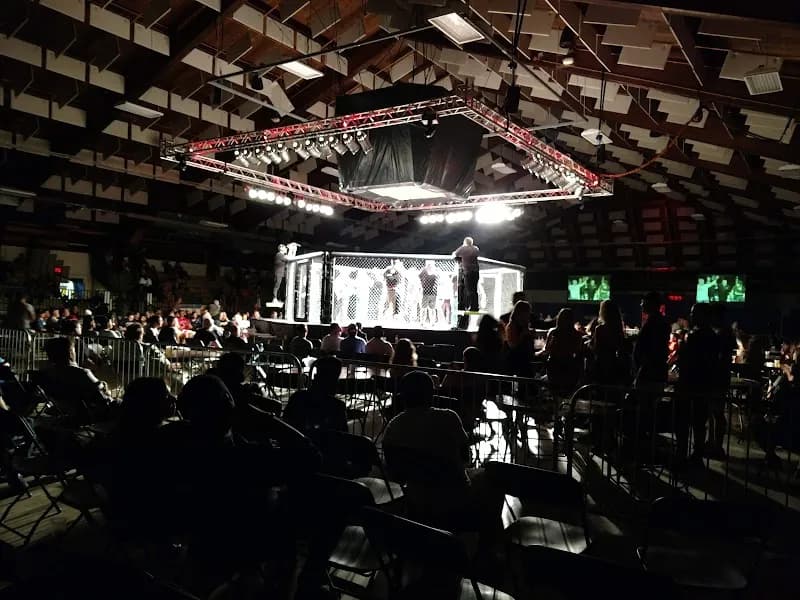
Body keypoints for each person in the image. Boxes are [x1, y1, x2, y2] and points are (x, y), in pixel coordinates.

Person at [382, 371, 502, 537]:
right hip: (455, 495)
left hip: (417, 497)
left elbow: (393, 470)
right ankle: (488, 542)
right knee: (494, 478)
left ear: (403, 396)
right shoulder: (449, 418)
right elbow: (465, 458)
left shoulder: (393, 426)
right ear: (431, 394)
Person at [676, 303, 724, 465]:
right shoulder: (713, 337)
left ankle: (683, 454)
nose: (691, 316)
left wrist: (683, 345)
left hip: (691, 384)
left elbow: (686, 359)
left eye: (694, 313)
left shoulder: (695, 336)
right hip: (704, 385)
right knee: (699, 422)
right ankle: (697, 454)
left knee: (685, 420)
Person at [37, 336, 115, 424]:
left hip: (64, 412)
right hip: (89, 415)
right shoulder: (82, 373)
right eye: (74, 349)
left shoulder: (47, 373)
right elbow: (102, 398)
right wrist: (104, 387)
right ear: (70, 352)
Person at [283, 356, 347, 437]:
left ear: (316, 376)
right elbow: (342, 437)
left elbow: (285, 425)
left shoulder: (297, 397)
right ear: (335, 382)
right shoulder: (337, 407)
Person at [539, 307, 584, 395]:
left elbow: (547, 349)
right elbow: (578, 352)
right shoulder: (577, 335)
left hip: (554, 367)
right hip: (569, 367)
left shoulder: (553, 332)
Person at [633, 292, 671, 387]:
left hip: (649, 373)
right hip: (657, 372)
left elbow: (648, 349)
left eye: (643, 302)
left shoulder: (653, 323)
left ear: (651, 304)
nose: (641, 305)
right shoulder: (662, 322)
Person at [589, 299, 630, 386]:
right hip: (614, 364)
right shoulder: (618, 329)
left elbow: (596, 349)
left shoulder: (599, 329)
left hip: (601, 364)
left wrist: (590, 344)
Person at [504, 300, 535, 377]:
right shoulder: (512, 326)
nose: (529, 314)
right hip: (516, 360)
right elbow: (512, 345)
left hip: (525, 359)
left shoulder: (524, 326)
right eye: (527, 312)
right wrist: (522, 335)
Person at [453, 237, 480, 311]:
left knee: (469, 289)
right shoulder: (476, 248)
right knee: (474, 289)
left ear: (465, 242)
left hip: (468, 271)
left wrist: (463, 247)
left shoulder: (463, 248)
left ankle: (472, 307)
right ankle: (475, 306)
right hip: (476, 271)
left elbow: (455, 254)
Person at [418, 261, 439, 325]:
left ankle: (432, 322)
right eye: (428, 266)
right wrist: (425, 269)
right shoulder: (424, 273)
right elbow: (419, 276)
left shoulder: (434, 274)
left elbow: (437, 279)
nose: (429, 267)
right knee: (424, 308)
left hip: (432, 294)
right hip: (425, 293)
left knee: (432, 309)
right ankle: (422, 322)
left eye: (430, 266)